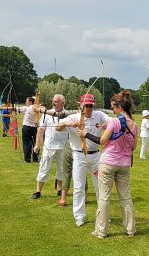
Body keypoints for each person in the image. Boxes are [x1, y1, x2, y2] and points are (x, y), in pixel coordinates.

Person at [78, 91, 138, 238]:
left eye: (113, 107)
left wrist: (85, 134)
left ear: (119, 107)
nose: (112, 110)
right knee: (126, 197)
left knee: (104, 197)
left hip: (108, 162)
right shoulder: (134, 124)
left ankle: (101, 231)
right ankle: (130, 229)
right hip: (124, 164)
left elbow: (102, 141)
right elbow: (134, 146)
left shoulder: (114, 121)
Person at [55, 93, 109, 227]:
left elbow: (111, 122)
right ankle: (79, 216)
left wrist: (104, 125)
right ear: (81, 106)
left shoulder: (99, 115)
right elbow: (58, 127)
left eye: (91, 106)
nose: (89, 109)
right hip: (79, 155)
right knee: (79, 187)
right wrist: (68, 123)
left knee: (100, 186)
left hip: (96, 156)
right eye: (87, 106)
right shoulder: (74, 117)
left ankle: (103, 215)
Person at [30, 94, 69, 200]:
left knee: (61, 169)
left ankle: (60, 190)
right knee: (44, 167)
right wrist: (37, 144)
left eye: (56, 101)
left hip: (63, 146)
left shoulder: (67, 114)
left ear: (62, 102)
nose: (54, 102)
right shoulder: (46, 114)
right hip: (49, 146)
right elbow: (40, 130)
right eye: (53, 101)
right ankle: (38, 191)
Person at [17, 97, 41, 163]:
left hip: (26, 128)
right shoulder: (36, 108)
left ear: (30, 102)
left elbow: (15, 109)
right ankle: (36, 158)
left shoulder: (27, 108)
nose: (25, 102)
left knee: (26, 143)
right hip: (34, 128)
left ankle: (27, 159)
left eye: (26, 101)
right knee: (35, 143)